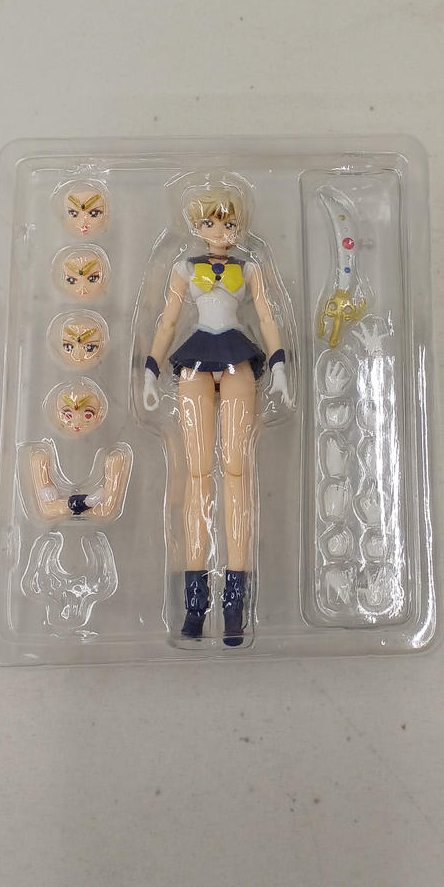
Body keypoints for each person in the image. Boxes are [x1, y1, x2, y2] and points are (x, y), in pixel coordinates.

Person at [142, 187, 289, 644]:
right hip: (195, 360)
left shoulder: (250, 268)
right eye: (210, 222)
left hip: (238, 360)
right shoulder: (184, 268)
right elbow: (167, 322)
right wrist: (149, 370)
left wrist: (281, 366)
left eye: (228, 223)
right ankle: (195, 604)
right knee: (197, 473)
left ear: (239, 226)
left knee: (237, 473)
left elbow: (266, 317)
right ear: (197, 226)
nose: (220, 230)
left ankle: (234, 605)